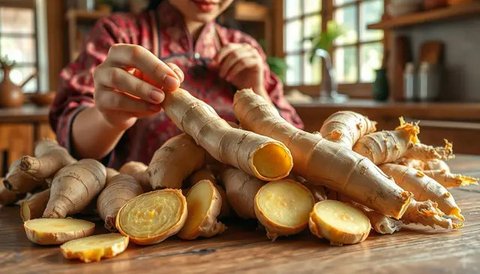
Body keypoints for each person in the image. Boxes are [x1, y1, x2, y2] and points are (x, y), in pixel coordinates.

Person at [50, 0, 303, 168]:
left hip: (246, 223)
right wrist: (109, 119)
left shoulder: (247, 49)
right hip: (138, 213)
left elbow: (300, 151)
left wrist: (258, 94)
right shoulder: (119, 34)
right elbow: (69, 137)